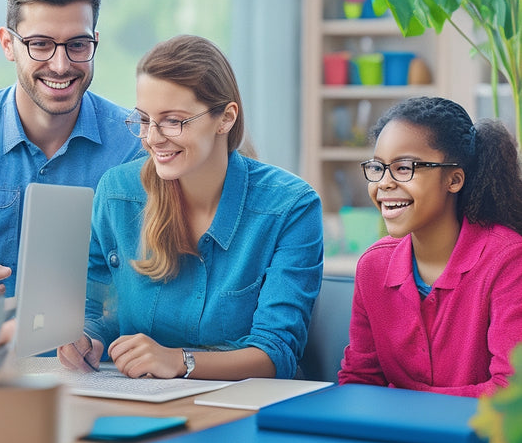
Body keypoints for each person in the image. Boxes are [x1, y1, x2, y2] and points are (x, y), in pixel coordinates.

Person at [58, 34, 323, 380]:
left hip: (244, 407)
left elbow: (277, 353)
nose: (152, 138)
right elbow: (99, 305)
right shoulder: (117, 193)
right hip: (139, 399)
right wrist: (88, 338)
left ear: (225, 118)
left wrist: (180, 361)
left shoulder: (291, 208)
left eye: (172, 120)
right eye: (144, 119)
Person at [338, 96, 522, 398]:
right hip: (397, 440)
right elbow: (360, 379)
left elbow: (511, 392)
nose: (384, 182)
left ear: (454, 179)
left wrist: (407, 406)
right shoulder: (373, 266)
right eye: (378, 167)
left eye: (404, 167)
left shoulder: (507, 259)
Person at [0, 0, 143, 297]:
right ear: (8, 44)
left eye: (78, 45)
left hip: (93, 348)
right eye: (40, 44)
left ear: (95, 42)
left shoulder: (137, 147)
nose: (61, 66)